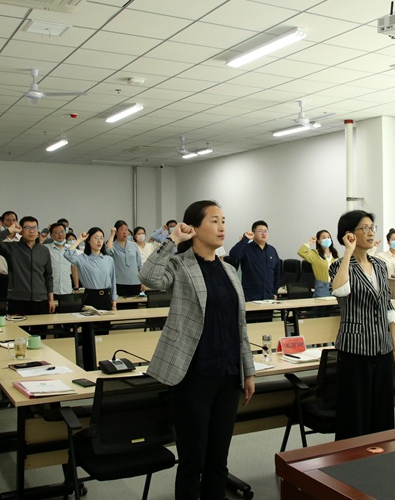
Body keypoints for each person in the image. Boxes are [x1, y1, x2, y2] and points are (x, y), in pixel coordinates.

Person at [139, 200, 255, 500]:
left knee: (218, 460)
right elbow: (149, 277)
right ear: (194, 227)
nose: (221, 227)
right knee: (193, 461)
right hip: (193, 376)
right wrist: (173, 239)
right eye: (214, 221)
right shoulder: (180, 265)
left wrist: (248, 372)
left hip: (228, 376)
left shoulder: (229, 270)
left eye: (223, 220)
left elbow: (239, 326)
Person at [328, 210, 395, 440]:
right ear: (349, 234)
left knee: (382, 413)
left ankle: (380, 456)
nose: (371, 233)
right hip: (355, 350)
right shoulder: (339, 266)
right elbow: (340, 290)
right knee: (355, 416)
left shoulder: (380, 265)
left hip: (382, 348)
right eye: (365, 228)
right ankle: (351, 458)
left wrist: (394, 349)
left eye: (372, 228)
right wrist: (348, 252)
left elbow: (387, 307)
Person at [0, 216, 54, 315]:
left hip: (40, 299)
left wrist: (51, 299)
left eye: (35, 228)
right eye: (27, 228)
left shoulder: (44, 250)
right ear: (21, 230)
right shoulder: (12, 248)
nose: (32, 231)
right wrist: (9, 230)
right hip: (17, 300)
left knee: (41, 325)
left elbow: (48, 276)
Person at [65, 228, 117, 311]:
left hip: (106, 297)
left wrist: (114, 303)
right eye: (96, 238)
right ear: (88, 240)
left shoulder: (109, 259)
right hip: (90, 296)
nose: (99, 241)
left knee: (106, 319)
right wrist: (80, 240)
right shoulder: (82, 259)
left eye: (101, 238)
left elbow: (113, 281)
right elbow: (67, 254)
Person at [228, 220, 281, 301]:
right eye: (260, 231)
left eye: (266, 231)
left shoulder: (272, 250)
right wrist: (245, 239)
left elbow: (277, 273)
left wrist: (275, 292)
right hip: (250, 297)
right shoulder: (246, 249)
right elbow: (233, 255)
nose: (264, 233)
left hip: (269, 297)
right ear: (253, 233)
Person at [297, 230, 339, 297]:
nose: (327, 239)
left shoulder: (335, 254)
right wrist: (310, 242)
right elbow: (301, 252)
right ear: (318, 241)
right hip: (322, 287)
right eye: (324, 238)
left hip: (336, 286)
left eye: (328, 237)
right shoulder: (315, 254)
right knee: (322, 303)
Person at [46, 222, 78, 311]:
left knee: (66, 314)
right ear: (51, 235)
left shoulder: (71, 249)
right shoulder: (46, 249)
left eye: (62, 231)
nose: (60, 234)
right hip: (51, 290)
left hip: (66, 288)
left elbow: (74, 268)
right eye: (56, 232)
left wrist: (76, 286)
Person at [107, 220, 143, 297]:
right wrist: (112, 234)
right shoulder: (113, 246)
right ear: (116, 232)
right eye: (122, 230)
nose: (125, 232)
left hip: (135, 282)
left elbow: (139, 265)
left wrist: (142, 282)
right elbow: (108, 251)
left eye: (126, 230)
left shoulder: (134, 245)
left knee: (135, 303)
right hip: (119, 283)